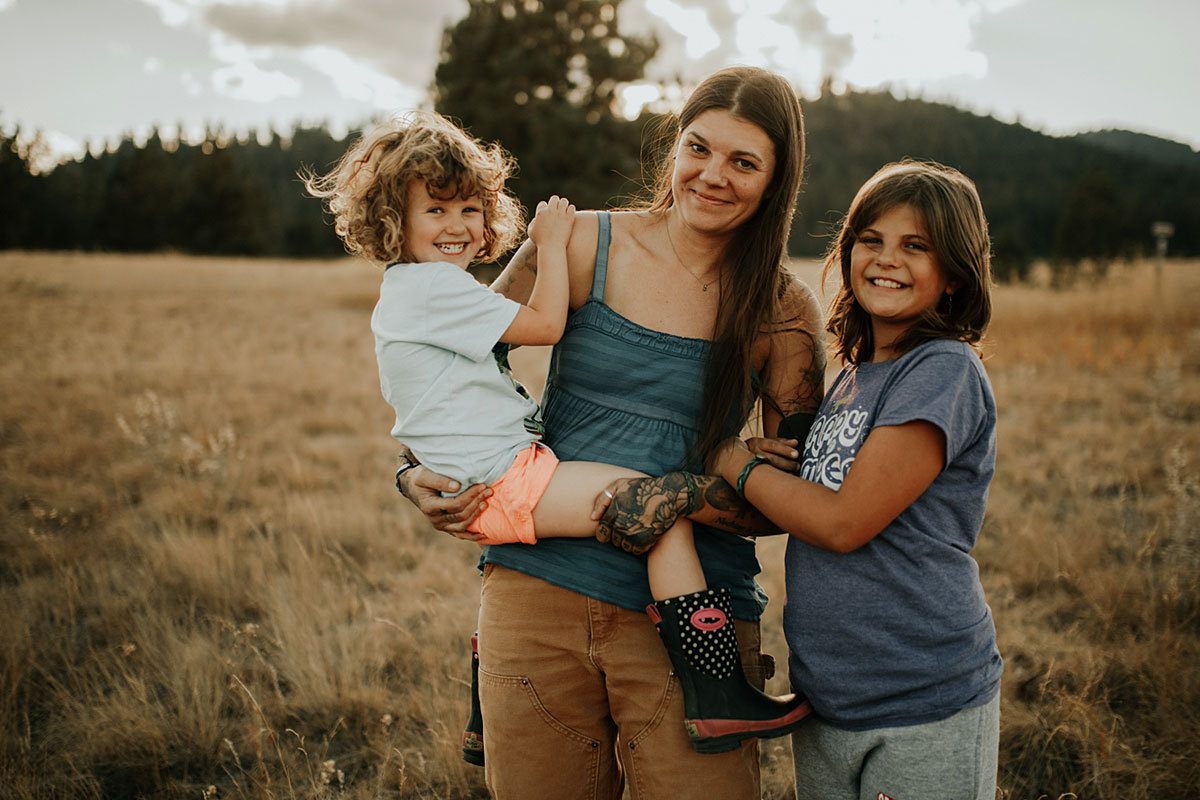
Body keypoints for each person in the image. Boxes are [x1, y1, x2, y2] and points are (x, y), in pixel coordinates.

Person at [305, 109, 812, 775]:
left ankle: (716, 690)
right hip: (535, 589)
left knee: (656, 515)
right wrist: (412, 472)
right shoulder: (580, 243)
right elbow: (468, 363)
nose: (713, 174)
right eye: (698, 148)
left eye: (743, 162)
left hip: (690, 609)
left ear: (778, 181)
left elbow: (800, 504)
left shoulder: (783, 308)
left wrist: (738, 471)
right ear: (674, 151)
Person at [706, 159, 1003, 800]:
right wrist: (768, 461)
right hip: (830, 696)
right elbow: (811, 496)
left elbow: (842, 523)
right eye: (871, 240)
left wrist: (734, 461)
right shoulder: (851, 378)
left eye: (915, 246)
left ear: (953, 275)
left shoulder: (942, 371)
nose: (886, 259)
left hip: (921, 698)